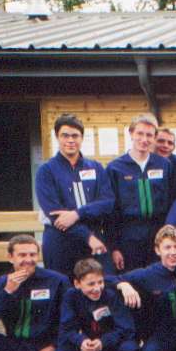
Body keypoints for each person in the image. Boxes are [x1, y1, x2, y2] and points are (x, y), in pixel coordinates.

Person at [36, 114, 115, 276]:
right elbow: (54, 214)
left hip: (94, 241)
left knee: (99, 285)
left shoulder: (96, 168)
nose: (70, 140)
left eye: (75, 136)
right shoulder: (46, 171)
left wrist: (77, 214)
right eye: (65, 135)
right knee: (62, 287)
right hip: (60, 240)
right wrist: (87, 237)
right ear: (57, 137)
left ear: (82, 138)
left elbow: (107, 202)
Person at [57, 258, 139, 351]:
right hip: (87, 347)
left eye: (100, 282)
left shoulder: (110, 295)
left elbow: (126, 328)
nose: (97, 288)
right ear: (77, 284)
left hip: (110, 343)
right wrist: (81, 341)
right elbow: (67, 328)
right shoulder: (71, 297)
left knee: (130, 348)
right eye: (91, 284)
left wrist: (103, 342)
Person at [106, 114, 176, 272]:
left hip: (159, 234)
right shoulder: (115, 168)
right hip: (128, 236)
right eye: (140, 133)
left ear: (154, 138)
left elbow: (172, 201)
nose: (144, 139)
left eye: (149, 135)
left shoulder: (164, 165)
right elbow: (110, 212)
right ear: (131, 133)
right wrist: (114, 248)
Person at [155, 127, 176, 194]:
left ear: (174, 147)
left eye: (170, 143)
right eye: (161, 141)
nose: (166, 145)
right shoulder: (143, 163)